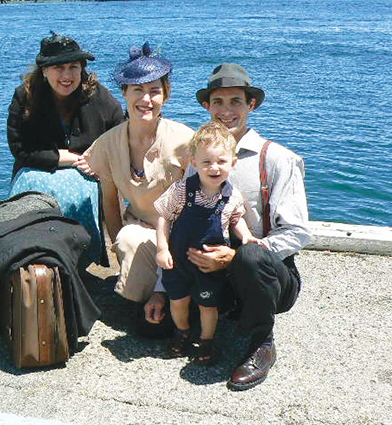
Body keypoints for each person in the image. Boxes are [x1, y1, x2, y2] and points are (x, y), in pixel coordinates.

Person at [145, 63, 312, 390]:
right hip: (207, 270)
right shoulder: (199, 160)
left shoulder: (276, 159)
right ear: (207, 106)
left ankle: (262, 342)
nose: (226, 111)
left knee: (250, 255)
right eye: (218, 102)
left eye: (236, 101)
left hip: (264, 272)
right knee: (150, 329)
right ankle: (205, 322)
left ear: (251, 105)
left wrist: (235, 258)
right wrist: (161, 290)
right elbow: (175, 219)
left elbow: (297, 232)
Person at [83, 42, 194, 303]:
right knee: (127, 239)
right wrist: (117, 247)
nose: (146, 100)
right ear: (125, 93)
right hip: (141, 229)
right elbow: (110, 201)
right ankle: (146, 296)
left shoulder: (185, 140)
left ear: (165, 96)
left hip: (181, 235)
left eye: (155, 91)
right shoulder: (108, 143)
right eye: (137, 90)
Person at [7, 31, 124, 269]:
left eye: (73, 67)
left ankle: (78, 257)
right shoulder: (25, 96)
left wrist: (99, 161)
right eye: (59, 68)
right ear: (44, 70)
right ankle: (33, 253)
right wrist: (66, 157)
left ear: (82, 69)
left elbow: (119, 135)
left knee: (80, 193)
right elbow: (20, 148)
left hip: (86, 173)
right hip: (37, 169)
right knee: (33, 194)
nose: (67, 76)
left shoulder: (98, 96)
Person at [155, 121, 263, 365]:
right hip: (179, 261)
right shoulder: (182, 190)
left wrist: (246, 236)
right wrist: (162, 248)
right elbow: (164, 216)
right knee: (178, 301)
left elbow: (236, 219)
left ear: (233, 162)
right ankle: (182, 332)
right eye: (206, 162)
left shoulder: (232, 196)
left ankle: (207, 340)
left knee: (208, 305)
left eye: (221, 161)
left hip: (209, 265)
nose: (214, 168)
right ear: (194, 162)